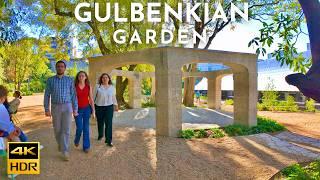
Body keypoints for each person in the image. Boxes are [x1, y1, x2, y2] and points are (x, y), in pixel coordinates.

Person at [44, 60, 78, 161]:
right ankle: (61, 144)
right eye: (58, 66)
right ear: (56, 68)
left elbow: (73, 95)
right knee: (57, 129)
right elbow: (47, 95)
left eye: (62, 66)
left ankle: (64, 150)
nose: (60, 68)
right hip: (55, 107)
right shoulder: (50, 80)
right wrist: (46, 109)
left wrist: (75, 108)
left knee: (66, 129)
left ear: (65, 68)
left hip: (67, 106)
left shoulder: (69, 80)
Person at [93, 73, 118, 147]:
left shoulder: (112, 87)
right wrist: (92, 107)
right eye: (103, 77)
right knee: (100, 122)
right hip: (99, 107)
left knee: (109, 123)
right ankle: (100, 135)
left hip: (109, 107)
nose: (105, 79)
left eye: (106, 77)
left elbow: (113, 97)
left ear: (109, 79)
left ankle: (109, 140)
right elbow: (93, 97)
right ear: (101, 79)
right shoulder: (97, 86)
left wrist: (116, 105)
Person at [74, 71, 95, 153]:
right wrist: (73, 110)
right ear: (78, 78)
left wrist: (93, 111)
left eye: (83, 76)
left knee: (86, 128)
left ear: (86, 77)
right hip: (77, 110)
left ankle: (86, 146)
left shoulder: (89, 86)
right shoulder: (74, 87)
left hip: (87, 109)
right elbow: (72, 99)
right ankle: (76, 140)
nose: (81, 77)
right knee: (79, 128)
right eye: (79, 76)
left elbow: (91, 99)